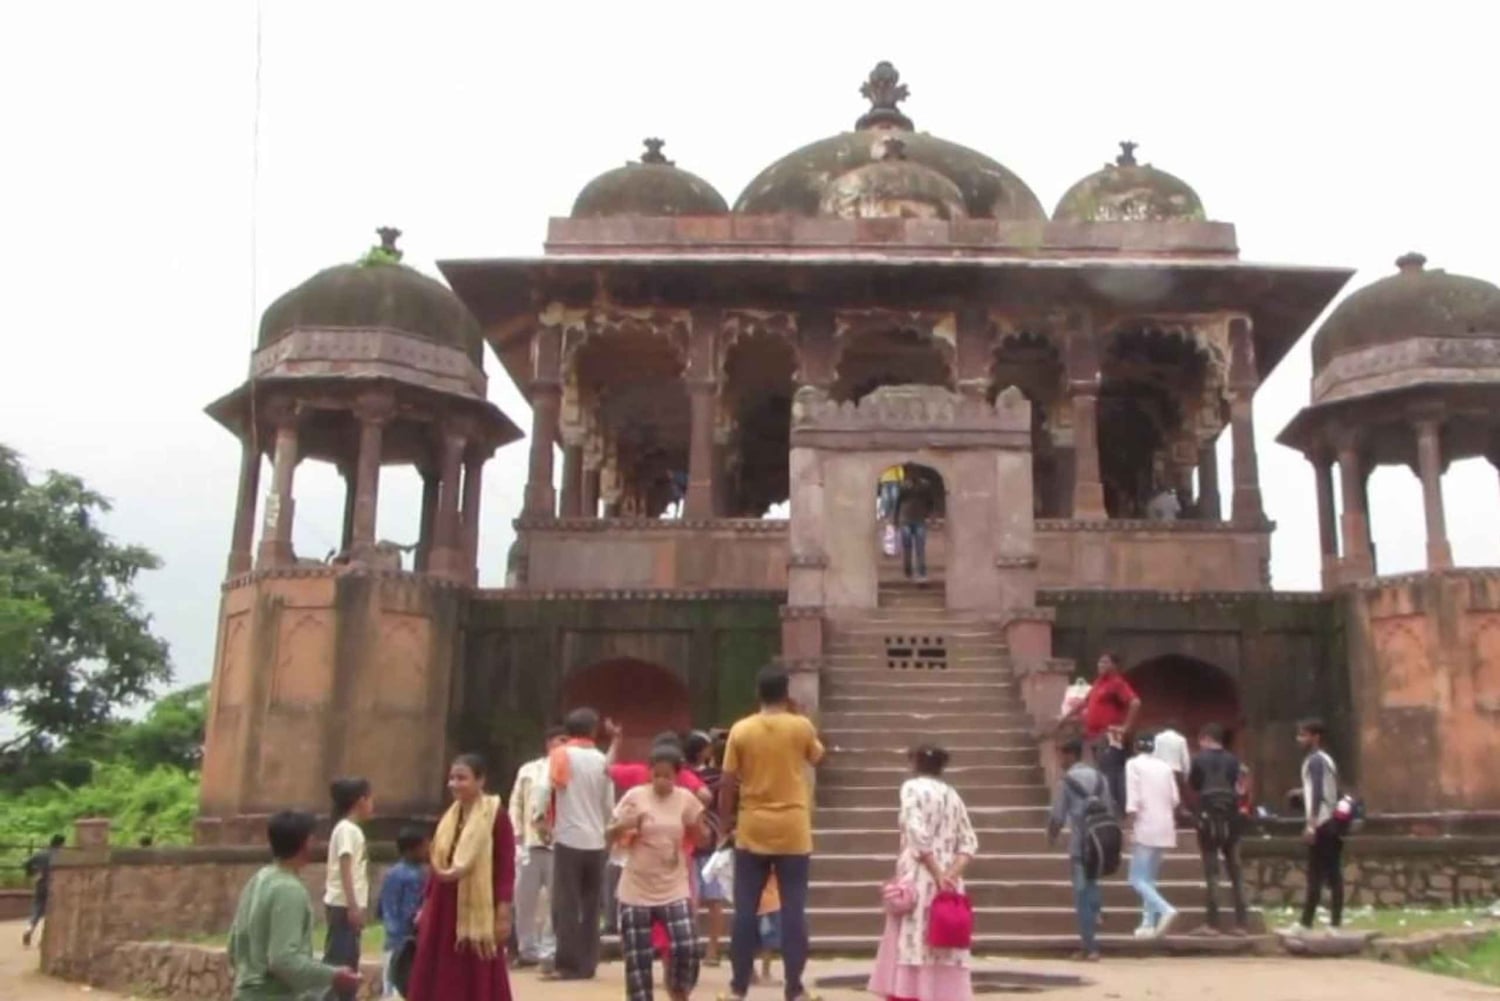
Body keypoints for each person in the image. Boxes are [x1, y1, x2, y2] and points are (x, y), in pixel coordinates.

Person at [720, 666, 826, 1001]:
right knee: (794, 909)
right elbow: (818, 757)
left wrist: (725, 823)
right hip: (793, 828)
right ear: (786, 693)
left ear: (758, 692)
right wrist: (799, 715)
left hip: (752, 827)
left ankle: (738, 987)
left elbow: (727, 782)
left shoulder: (741, 729)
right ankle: (794, 987)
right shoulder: (800, 727)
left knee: (745, 910)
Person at [868, 744, 979, 1001]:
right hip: (949, 884)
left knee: (913, 941)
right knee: (944, 943)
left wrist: (936, 872)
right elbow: (969, 842)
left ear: (914, 763)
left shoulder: (911, 789)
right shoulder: (953, 795)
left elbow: (916, 832)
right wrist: (950, 874)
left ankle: (912, 993)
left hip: (918, 877)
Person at [406, 754, 515, 1001]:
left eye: (462, 778)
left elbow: (505, 864)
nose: (455, 783)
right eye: (452, 778)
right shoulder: (449, 818)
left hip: (479, 906)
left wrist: (503, 910)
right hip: (444, 904)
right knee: (439, 963)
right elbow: (438, 865)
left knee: (478, 963)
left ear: (480, 781)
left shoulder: (495, 815)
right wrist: (426, 904)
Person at [609, 743, 710, 1001]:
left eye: (668, 776)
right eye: (657, 775)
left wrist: (699, 828)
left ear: (677, 776)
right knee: (637, 957)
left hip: (673, 885)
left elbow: (702, 840)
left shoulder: (685, 799)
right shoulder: (634, 797)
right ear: (649, 773)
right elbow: (608, 835)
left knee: (686, 944)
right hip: (636, 888)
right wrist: (626, 825)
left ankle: (678, 990)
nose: (662, 781)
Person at [228, 811, 361, 1000]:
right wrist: (333, 976)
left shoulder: (258, 880)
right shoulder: (289, 890)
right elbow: (283, 960)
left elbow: (234, 945)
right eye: (314, 838)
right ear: (306, 843)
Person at [536, 707, 613, 982]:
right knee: (592, 904)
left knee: (566, 903)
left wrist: (540, 820)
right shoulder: (602, 760)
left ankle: (567, 963)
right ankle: (588, 962)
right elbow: (608, 803)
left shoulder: (561, 755)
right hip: (596, 840)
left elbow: (545, 790)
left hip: (568, 837)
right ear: (593, 731)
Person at [1047, 738, 1113, 962]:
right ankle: (1097, 911)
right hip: (1100, 842)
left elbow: (1058, 815)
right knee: (1093, 884)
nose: (1060, 761)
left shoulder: (1067, 782)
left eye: (1062, 756)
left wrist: (1052, 836)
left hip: (1080, 845)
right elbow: (1110, 809)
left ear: (1071, 756)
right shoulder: (1100, 778)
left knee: (1081, 894)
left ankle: (1090, 947)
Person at [508, 726, 565, 969]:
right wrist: (516, 835)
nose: (561, 746)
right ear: (548, 743)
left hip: (559, 843)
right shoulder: (529, 770)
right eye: (558, 741)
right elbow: (516, 802)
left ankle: (548, 949)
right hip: (530, 842)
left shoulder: (571, 771)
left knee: (556, 900)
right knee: (524, 899)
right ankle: (526, 948)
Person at [1188, 723, 1248, 935]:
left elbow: (1194, 785)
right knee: (1236, 872)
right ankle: (1242, 922)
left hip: (1208, 818)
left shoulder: (1198, 759)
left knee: (1212, 872)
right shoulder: (1233, 760)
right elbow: (1237, 784)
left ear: (1205, 738)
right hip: (1231, 818)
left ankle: (1213, 923)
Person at [1290, 718, 1343, 935]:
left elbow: (1320, 790)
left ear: (1315, 737)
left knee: (1318, 875)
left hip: (1322, 823)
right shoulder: (1325, 760)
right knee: (1330, 874)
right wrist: (1301, 793)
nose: (1299, 739)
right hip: (1330, 822)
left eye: (1303, 735)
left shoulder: (1315, 761)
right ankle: (1330, 923)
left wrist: (1311, 823)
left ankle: (1308, 923)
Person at [324, 777, 374, 1001]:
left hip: (346, 905)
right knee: (341, 967)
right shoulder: (347, 830)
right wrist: (353, 906)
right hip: (343, 905)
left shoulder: (351, 830)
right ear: (360, 800)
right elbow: (346, 866)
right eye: (370, 798)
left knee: (348, 963)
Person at [1125, 733, 1179, 939]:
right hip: (1165, 825)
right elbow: (1175, 798)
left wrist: (1129, 827)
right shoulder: (1165, 767)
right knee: (1150, 878)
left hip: (1145, 826)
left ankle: (1165, 909)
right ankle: (1148, 922)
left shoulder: (1133, 765)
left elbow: (1133, 800)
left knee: (1136, 878)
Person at [686, 730, 729, 967]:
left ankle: (690, 946)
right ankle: (712, 950)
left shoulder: (681, 776)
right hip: (711, 841)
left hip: (690, 842)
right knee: (714, 900)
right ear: (703, 751)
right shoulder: (716, 776)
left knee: (691, 900)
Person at [376, 827, 429, 997]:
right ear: (410, 850)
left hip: (393, 942)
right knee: (404, 987)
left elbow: (381, 909)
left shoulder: (392, 874)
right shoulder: (414, 876)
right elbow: (410, 912)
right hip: (405, 943)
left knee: (391, 988)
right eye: (424, 847)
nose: (427, 851)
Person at [20, 834, 64, 948]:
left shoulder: (40, 853)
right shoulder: (62, 855)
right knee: (52, 911)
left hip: (40, 883)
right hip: (55, 885)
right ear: (61, 844)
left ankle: (29, 928)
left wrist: (32, 873)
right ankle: (45, 939)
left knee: (37, 907)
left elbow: (25, 863)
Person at [895, 471, 933, 581]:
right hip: (907, 519)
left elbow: (930, 502)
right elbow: (898, 502)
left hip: (917, 519)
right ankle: (909, 571)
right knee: (909, 548)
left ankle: (920, 572)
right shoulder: (905, 486)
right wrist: (896, 520)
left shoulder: (924, 486)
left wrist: (929, 515)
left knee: (919, 548)